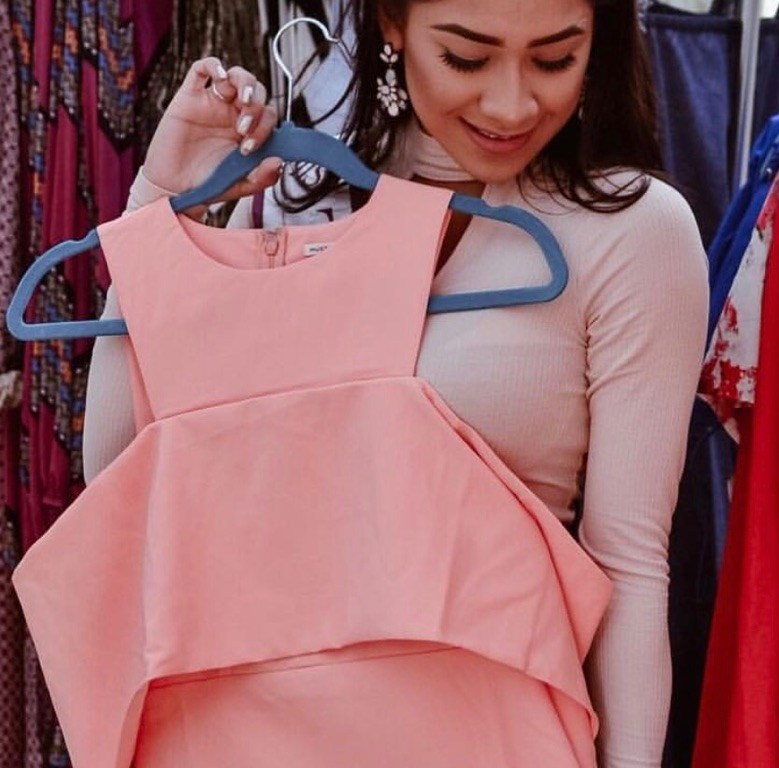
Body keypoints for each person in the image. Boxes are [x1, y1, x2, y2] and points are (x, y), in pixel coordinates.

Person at [81, 0, 708, 765]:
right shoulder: (281, 207)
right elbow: (116, 480)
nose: (512, 103)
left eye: (554, 60)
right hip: (230, 735)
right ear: (392, 23)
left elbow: (630, 565)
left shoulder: (632, 233)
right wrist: (158, 204)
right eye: (468, 59)